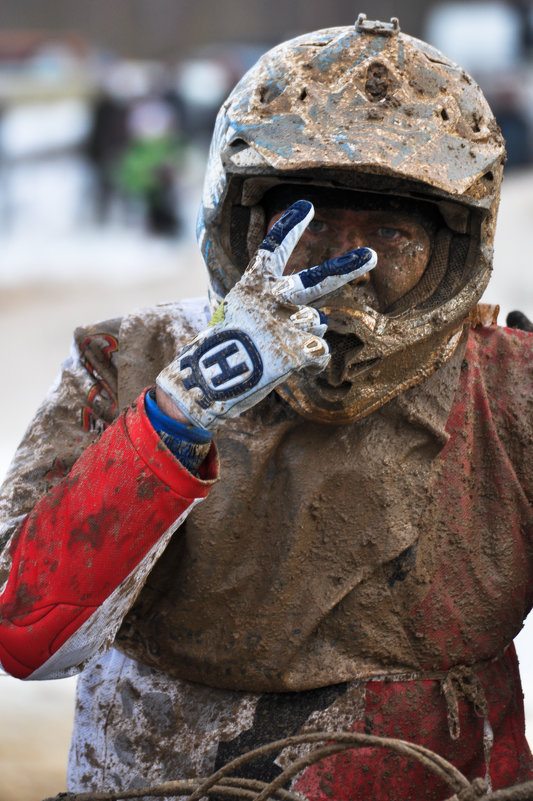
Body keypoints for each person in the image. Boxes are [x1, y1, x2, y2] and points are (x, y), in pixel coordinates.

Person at [0, 14, 532, 801]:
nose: (347, 270)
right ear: (241, 224)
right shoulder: (128, 363)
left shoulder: (509, 388)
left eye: (389, 232)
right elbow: (28, 632)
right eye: (308, 226)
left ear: (453, 247)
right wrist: (184, 408)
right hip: (163, 779)